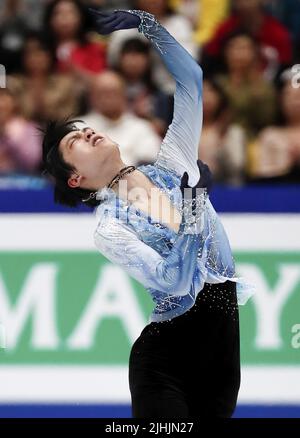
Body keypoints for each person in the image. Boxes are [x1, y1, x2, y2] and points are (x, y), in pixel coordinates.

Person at [41, 8, 253, 418]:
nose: (85, 132)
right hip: (165, 364)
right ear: (76, 178)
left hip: (223, 363)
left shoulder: (173, 165)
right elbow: (174, 284)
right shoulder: (110, 226)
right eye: (74, 144)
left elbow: (191, 81)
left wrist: (147, 25)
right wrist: (192, 209)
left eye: (81, 127)